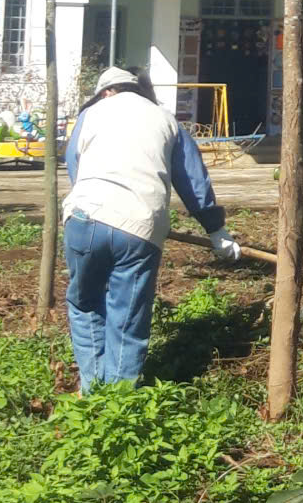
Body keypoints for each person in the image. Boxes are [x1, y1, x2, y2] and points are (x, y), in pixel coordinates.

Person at [62, 65, 238, 391]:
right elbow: (192, 181)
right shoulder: (165, 119)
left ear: (105, 92)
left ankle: (92, 391)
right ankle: (118, 400)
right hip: (140, 228)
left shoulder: (90, 115)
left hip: (85, 218)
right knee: (127, 318)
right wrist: (216, 230)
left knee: (84, 303)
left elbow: (75, 165)